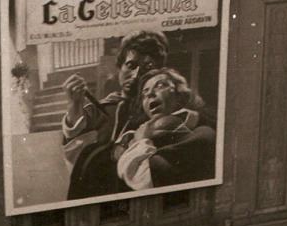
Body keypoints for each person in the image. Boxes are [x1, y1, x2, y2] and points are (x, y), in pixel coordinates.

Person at [61, 30, 168, 200]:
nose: (136, 75)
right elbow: (74, 149)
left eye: (147, 67)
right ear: (120, 68)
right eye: (131, 65)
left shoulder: (160, 111)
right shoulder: (101, 108)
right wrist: (74, 104)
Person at [115, 68, 216, 190]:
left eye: (160, 85)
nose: (150, 94)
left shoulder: (203, 123)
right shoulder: (132, 135)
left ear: (178, 93)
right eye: (144, 93)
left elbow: (147, 176)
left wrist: (141, 142)